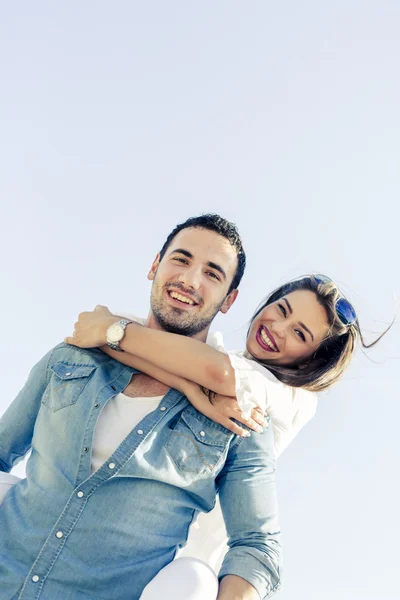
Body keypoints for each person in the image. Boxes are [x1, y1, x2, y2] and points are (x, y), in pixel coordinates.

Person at [0, 214, 282, 600]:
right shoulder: (72, 359)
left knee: (194, 577)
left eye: (212, 274)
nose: (190, 280)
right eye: (181, 260)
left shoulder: (240, 416)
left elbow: (256, 547)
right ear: (155, 266)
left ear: (229, 300)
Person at [65, 272, 384, 581]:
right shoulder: (219, 356)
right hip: (128, 551)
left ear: (310, 361)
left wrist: (113, 333)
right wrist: (191, 387)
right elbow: (116, 335)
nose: (278, 327)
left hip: (187, 572)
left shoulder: (293, 399)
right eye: (282, 310)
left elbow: (218, 374)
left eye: (300, 334)